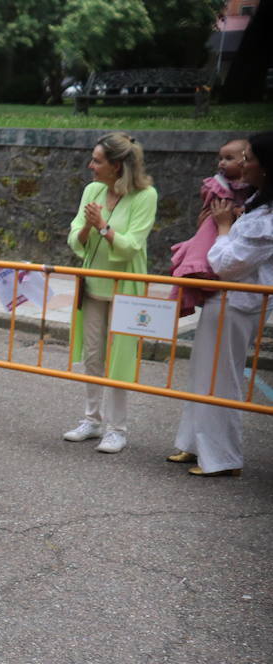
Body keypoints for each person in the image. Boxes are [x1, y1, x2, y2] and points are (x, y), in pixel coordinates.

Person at [170, 131, 273, 478]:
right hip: (226, 299)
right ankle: (195, 443)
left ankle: (222, 457)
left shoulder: (268, 219)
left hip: (239, 301)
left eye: (249, 158)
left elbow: (227, 263)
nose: (243, 164)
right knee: (203, 371)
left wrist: (225, 228)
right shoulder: (257, 202)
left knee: (221, 377)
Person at [64, 133, 158, 455]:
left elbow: (132, 245)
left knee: (119, 361)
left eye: (98, 160)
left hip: (126, 289)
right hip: (93, 287)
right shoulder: (92, 190)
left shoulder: (146, 196)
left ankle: (117, 430)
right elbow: (75, 235)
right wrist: (90, 228)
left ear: (117, 166)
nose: (91, 165)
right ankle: (92, 420)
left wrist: (103, 226)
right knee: (93, 357)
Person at [168, 138, 254, 316]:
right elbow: (216, 206)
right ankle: (198, 270)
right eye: (221, 158)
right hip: (214, 227)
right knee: (202, 250)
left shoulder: (253, 189)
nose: (222, 163)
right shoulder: (218, 185)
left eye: (229, 158)